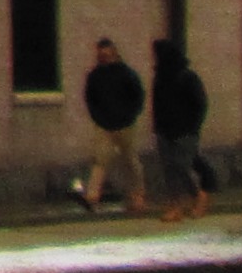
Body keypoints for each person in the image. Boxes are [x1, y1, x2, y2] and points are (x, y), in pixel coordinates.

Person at [77, 35, 146, 212]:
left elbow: (138, 96)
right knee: (100, 160)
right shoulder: (95, 76)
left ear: (114, 53)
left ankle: (137, 195)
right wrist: (97, 117)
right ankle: (92, 196)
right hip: (104, 124)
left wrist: (130, 115)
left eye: (106, 54)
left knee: (129, 159)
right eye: (101, 55)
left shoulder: (126, 73)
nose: (104, 58)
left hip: (125, 124)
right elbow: (90, 98)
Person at [147, 37, 210, 220]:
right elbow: (157, 104)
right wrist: (157, 126)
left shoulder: (187, 77)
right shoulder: (159, 78)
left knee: (182, 167)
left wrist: (193, 126)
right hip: (165, 130)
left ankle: (198, 197)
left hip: (185, 131)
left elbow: (200, 103)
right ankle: (175, 206)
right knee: (169, 170)